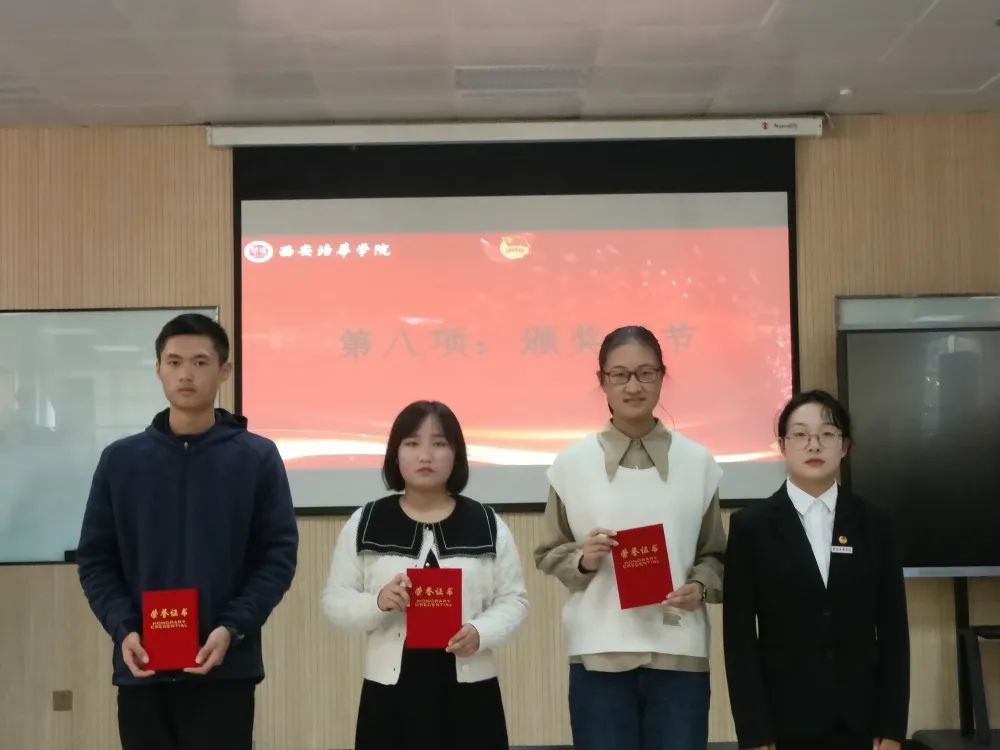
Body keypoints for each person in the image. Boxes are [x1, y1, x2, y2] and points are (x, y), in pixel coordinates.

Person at [77, 313, 298, 750]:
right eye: (174, 362)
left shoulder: (256, 458)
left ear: (224, 370)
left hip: (224, 668)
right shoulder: (121, 461)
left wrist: (232, 627)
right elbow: (96, 560)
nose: (185, 374)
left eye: (200, 362)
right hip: (142, 668)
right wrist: (124, 628)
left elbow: (277, 557)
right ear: (158, 369)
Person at [534, 325, 726, 750]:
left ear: (662, 376)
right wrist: (584, 558)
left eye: (645, 373)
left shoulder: (698, 463)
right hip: (599, 655)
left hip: (679, 652)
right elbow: (549, 551)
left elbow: (715, 554)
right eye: (619, 375)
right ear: (602, 380)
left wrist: (699, 586)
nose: (633, 386)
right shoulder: (571, 465)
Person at [322, 400, 528, 750]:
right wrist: (377, 602)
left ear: (456, 455)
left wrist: (481, 631)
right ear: (396, 454)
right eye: (413, 443)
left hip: (470, 691)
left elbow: (514, 600)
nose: (426, 455)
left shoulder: (486, 523)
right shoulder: (366, 522)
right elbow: (335, 600)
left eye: (439, 443)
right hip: (391, 695)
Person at [723, 389, 909, 750]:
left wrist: (892, 727)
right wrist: (754, 733)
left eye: (827, 434)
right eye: (801, 434)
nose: (814, 445)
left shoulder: (876, 524)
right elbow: (739, 640)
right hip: (783, 723)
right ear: (782, 445)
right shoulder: (750, 527)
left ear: (845, 446)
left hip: (862, 723)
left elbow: (894, 632)